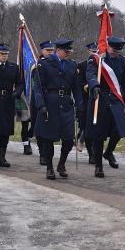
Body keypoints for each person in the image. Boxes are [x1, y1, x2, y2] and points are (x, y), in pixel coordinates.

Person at [33, 39, 83, 179]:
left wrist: (80, 106)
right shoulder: (44, 64)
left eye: (69, 52)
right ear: (58, 50)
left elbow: (77, 88)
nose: (68, 54)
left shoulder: (72, 65)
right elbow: (38, 87)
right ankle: (49, 167)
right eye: (66, 52)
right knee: (49, 139)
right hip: (50, 104)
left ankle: (61, 164)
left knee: (68, 139)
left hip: (66, 104)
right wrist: (41, 105)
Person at [86, 36, 125, 178]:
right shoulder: (96, 59)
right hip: (100, 98)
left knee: (119, 131)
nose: (115, 52)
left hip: (116, 99)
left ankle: (108, 152)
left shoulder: (122, 61)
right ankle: (99, 166)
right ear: (108, 46)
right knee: (99, 135)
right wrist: (94, 85)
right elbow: (90, 74)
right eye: (114, 49)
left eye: (118, 50)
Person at [29, 40, 55, 165]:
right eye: (48, 50)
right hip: (38, 99)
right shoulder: (37, 65)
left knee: (49, 127)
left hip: (51, 99)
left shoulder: (55, 64)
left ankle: (47, 152)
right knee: (38, 127)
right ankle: (42, 153)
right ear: (42, 51)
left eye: (52, 50)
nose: (50, 52)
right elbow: (36, 85)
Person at [76, 42, 97, 164]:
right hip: (85, 100)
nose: (95, 54)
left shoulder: (102, 66)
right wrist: (87, 86)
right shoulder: (82, 66)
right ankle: (91, 154)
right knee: (86, 126)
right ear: (88, 52)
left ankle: (93, 150)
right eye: (93, 52)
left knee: (96, 129)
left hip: (98, 101)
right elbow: (78, 84)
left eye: (96, 52)